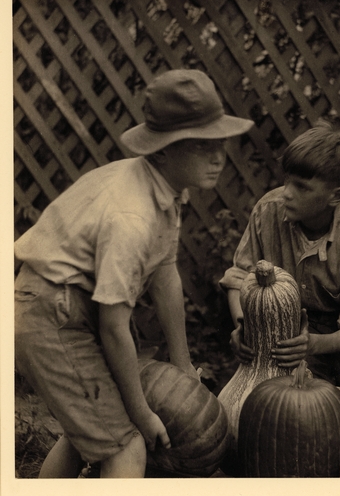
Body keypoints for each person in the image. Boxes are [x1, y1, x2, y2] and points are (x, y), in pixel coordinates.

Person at [14, 69, 254, 478]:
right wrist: (142, 414)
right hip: (51, 318)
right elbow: (113, 326)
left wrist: (182, 364)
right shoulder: (132, 216)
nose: (217, 157)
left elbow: (164, 275)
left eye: (220, 144)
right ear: (162, 151)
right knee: (126, 446)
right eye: (201, 146)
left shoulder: (162, 188)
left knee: (87, 430)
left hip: (66, 308)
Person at [220, 120, 340, 424]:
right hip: (276, 327)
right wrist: (245, 328)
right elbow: (237, 279)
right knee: (262, 414)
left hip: (339, 335)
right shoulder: (267, 211)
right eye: (288, 181)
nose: (286, 193)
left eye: (302, 187)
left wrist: (314, 344)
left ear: (335, 196)